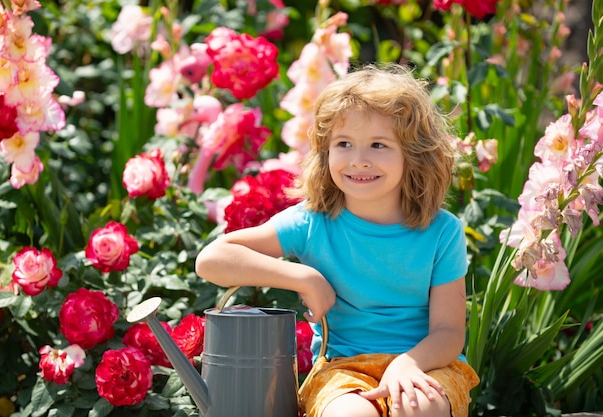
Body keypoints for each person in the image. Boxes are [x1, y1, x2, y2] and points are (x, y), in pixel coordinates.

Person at [195, 64, 479, 417]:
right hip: (344, 369)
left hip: (425, 364)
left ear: (413, 153)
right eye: (344, 144)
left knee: (421, 407)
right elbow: (212, 259)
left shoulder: (441, 231)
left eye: (378, 145)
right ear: (326, 151)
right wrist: (304, 277)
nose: (359, 160)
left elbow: (449, 332)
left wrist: (406, 364)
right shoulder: (312, 222)